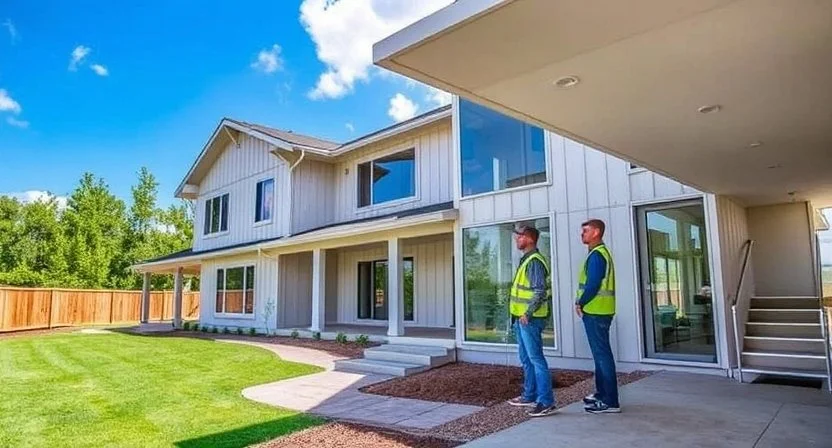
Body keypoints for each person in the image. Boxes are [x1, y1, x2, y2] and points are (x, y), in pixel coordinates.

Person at [506, 225, 556, 417]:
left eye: (519, 236)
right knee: (527, 359)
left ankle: (546, 401)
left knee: (536, 359)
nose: (516, 239)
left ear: (529, 239)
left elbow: (539, 290)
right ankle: (529, 395)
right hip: (522, 319)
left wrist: (528, 313)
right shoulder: (526, 260)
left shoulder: (534, 262)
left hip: (530, 319)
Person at [576, 219, 620, 414]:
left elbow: (593, 284)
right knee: (600, 355)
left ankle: (610, 401)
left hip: (596, 312)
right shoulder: (598, 254)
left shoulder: (596, 256)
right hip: (600, 312)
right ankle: (602, 394)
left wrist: (580, 302)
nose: (582, 234)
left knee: (602, 356)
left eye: (585, 231)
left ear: (596, 232)